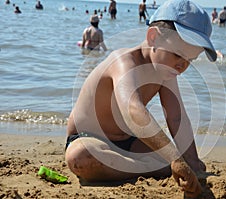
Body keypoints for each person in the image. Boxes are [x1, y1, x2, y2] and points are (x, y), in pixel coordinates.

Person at [65, 0, 217, 198]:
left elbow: (176, 116)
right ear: (153, 37)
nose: (182, 66)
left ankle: (147, 167)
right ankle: (158, 169)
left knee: (186, 159)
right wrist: (175, 159)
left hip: (130, 141)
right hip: (90, 138)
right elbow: (133, 110)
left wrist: (193, 161)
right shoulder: (124, 61)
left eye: (190, 60)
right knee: (79, 158)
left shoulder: (166, 71)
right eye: (178, 54)